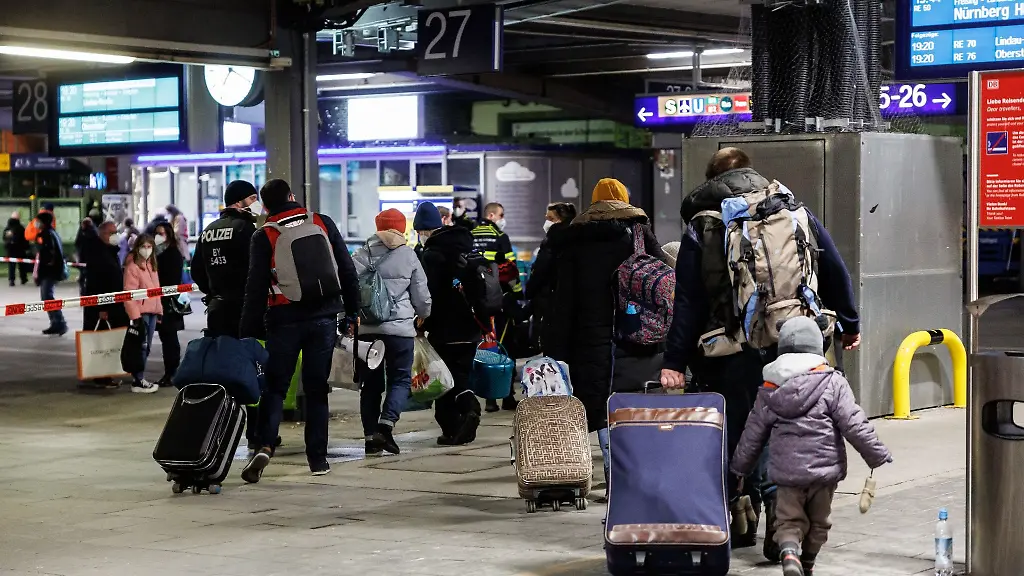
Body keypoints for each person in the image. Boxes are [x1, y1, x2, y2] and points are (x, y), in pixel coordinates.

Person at [659, 147, 860, 560]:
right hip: (792, 344)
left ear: (712, 180)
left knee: (739, 434)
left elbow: (688, 301)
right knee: (779, 429)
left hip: (729, 350)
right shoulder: (792, 211)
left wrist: (674, 361)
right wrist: (850, 324)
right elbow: (834, 269)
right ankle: (779, 523)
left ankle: (741, 515)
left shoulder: (705, 223)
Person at [730, 317, 891, 576]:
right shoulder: (833, 382)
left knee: (788, 521)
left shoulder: (770, 388)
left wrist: (740, 468)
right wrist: (875, 453)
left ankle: (789, 554)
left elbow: (753, 433)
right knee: (820, 523)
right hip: (823, 473)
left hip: (787, 474)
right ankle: (807, 563)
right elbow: (854, 422)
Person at [546, 178, 668, 500]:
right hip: (638, 332)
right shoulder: (639, 233)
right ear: (624, 199)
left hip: (590, 337)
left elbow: (563, 301)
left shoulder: (575, 239)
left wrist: (555, 348)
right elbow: (663, 280)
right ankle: (638, 475)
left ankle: (615, 479)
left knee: (602, 406)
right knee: (635, 401)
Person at [239, 179, 360, 481]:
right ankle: (318, 459)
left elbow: (255, 287)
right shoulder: (321, 221)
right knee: (317, 390)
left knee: (275, 388)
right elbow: (346, 268)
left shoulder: (264, 235)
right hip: (323, 318)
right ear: (292, 196)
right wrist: (353, 310)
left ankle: (265, 445)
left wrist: (248, 331)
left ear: (265, 206)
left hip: (284, 320)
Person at [191, 180, 268, 450]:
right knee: (253, 369)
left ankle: (219, 431)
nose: (256, 204)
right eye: (252, 199)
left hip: (217, 310)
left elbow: (197, 271)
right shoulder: (248, 230)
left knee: (221, 370)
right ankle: (256, 433)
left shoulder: (209, 231)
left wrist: (214, 292)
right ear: (238, 202)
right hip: (246, 311)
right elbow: (258, 270)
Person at [352, 208, 432, 455]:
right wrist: (423, 314)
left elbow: (348, 289)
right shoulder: (408, 255)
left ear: (378, 227)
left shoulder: (361, 253)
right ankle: (385, 426)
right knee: (400, 379)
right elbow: (421, 294)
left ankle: (370, 438)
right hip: (400, 331)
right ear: (401, 228)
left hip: (368, 331)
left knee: (370, 385)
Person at [414, 202, 483, 446]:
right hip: (471, 325)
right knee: (460, 372)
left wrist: (423, 322)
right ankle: (458, 426)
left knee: (444, 378)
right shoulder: (464, 247)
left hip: (445, 327)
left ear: (424, 230)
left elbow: (430, 294)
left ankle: (465, 413)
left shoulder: (432, 255)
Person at [471, 202, 520, 412]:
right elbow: (511, 269)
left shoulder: (470, 235)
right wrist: (517, 294)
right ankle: (507, 396)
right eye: (501, 215)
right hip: (500, 300)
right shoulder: (500, 237)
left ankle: (489, 397)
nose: (502, 218)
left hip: (477, 301)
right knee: (505, 346)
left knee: (485, 347)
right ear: (492, 215)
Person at [78, 220, 130, 389]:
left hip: (114, 304)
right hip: (103, 307)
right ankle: (101, 377)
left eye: (116, 232)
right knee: (102, 341)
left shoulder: (111, 251)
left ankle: (104, 374)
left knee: (109, 341)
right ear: (101, 234)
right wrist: (101, 308)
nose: (114, 236)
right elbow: (96, 283)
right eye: (111, 233)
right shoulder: (97, 253)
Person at [524, 202, 576, 353]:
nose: (547, 222)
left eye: (550, 218)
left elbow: (541, 268)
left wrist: (530, 291)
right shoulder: (577, 238)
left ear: (560, 219)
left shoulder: (553, 239)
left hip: (548, 294)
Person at [123, 234, 162, 394]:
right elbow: (129, 294)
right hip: (141, 313)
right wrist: (135, 316)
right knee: (141, 347)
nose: (146, 250)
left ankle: (139, 377)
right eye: (143, 247)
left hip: (152, 312)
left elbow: (157, 291)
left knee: (147, 347)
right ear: (137, 248)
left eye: (149, 247)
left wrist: (159, 311)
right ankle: (138, 380)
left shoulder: (152, 266)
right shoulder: (133, 267)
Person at [153, 222, 185, 388]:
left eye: (161, 233)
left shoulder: (172, 253)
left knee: (169, 337)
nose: (158, 237)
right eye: (156, 233)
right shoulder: (157, 252)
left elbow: (171, 279)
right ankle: (171, 372)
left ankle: (172, 373)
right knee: (166, 337)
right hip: (161, 300)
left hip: (169, 302)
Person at [33, 211, 68, 336]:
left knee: (47, 297)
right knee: (47, 297)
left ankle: (60, 323)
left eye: (38, 221)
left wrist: (42, 271)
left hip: (49, 272)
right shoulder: (51, 233)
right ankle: (55, 323)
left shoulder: (47, 234)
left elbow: (49, 255)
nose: (36, 223)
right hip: (50, 271)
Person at [4, 211, 30, 286]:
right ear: (18, 218)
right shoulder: (20, 227)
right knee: (22, 264)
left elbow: (5, 238)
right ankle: (23, 279)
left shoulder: (7, 228)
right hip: (20, 249)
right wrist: (26, 247)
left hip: (11, 249)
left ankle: (11, 280)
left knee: (11, 265)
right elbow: (25, 238)